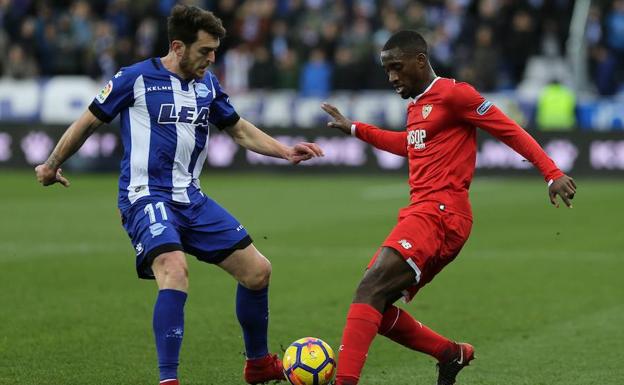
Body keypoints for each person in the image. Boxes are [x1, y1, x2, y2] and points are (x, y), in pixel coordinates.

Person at [34, 5, 323, 385]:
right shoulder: (134, 78)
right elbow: (88, 121)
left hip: (192, 200)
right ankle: (168, 379)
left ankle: (257, 365)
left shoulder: (207, 84)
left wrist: (285, 151)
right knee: (174, 269)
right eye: (205, 51)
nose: (212, 58)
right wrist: (52, 164)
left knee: (257, 272)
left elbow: (237, 129)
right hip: (145, 197)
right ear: (178, 46)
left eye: (215, 51)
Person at [321, 30, 577, 385]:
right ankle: (450, 353)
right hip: (427, 213)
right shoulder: (417, 106)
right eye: (386, 71)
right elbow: (409, 145)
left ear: (420, 61)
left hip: (439, 213)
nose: (391, 77)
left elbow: (509, 130)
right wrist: (355, 129)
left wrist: (551, 173)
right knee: (374, 307)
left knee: (369, 289)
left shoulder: (456, 95)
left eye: (396, 67)